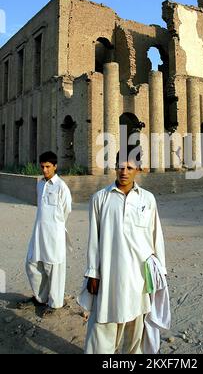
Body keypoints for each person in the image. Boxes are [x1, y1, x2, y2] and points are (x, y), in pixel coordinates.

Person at [83, 146, 167, 354]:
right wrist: (93, 272)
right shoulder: (100, 198)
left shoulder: (147, 199)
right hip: (110, 275)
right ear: (114, 168)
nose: (124, 172)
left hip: (138, 277)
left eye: (129, 167)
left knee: (135, 329)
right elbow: (94, 238)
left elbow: (156, 236)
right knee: (103, 325)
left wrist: (161, 272)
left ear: (138, 169)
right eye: (120, 167)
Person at [19, 151, 72, 317]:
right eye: (42, 167)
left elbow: (66, 209)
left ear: (55, 166)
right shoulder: (40, 184)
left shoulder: (61, 187)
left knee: (53, 267)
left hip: (54, 234)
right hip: (39, 232)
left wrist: (54, 225)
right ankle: (41, 297)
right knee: (32, 263)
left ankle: (55, 303)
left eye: (48, 167)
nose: (45, 170)